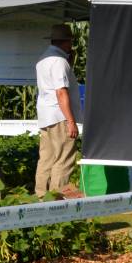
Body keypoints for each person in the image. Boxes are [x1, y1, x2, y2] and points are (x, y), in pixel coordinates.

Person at [34, 24, 82, 197]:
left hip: (45, 116)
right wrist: (71, 121)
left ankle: (40, 197)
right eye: (70, 42)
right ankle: (56, 202)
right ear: (66, 42)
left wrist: (69, 63)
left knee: (46, 159)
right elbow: (61, 92)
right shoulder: (59, 61)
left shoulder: (43, 59)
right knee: (64, 160)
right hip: (59, 116)